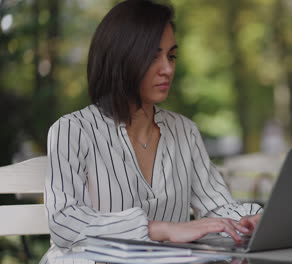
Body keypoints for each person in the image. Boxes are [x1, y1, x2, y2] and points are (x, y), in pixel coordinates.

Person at [40, 1, 262, 262]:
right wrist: (160, 229)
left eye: (171, 56)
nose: (167, 69)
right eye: (152, 56)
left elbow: (217, 205)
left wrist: (250, 219)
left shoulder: (184, 131)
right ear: (121, 57)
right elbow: (64, 221)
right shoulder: (72, 130)